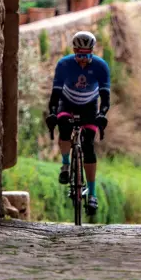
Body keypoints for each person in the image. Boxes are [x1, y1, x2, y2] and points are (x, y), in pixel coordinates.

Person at [45, 31, 110, 214]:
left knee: (88, 145)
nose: (82, 59)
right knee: (64, 127)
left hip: (90, 106)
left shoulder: (100, 66)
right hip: (67, 103)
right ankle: (66, 165)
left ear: (92, 52)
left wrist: (103, 113)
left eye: (87, 55)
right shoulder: (64, 64)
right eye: (79, 55)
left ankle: (92, 194)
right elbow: (55, 93)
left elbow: (105, 96)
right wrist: (52, 112)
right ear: (74, 51)